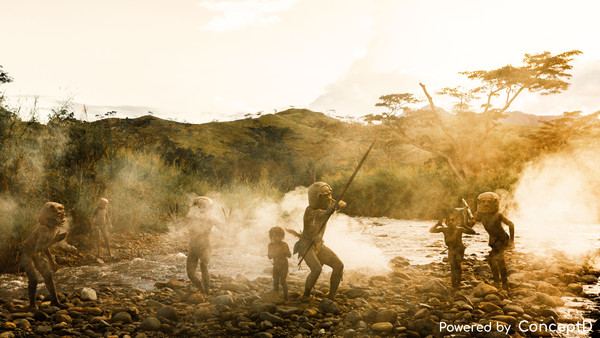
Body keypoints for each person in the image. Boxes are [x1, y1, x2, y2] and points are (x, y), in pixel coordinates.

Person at [294, 182, 346, 301]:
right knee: (316, 268)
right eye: (324, 196)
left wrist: (337, 204)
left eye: (329, 195)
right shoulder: (310, 211)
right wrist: (332, 208)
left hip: (318, 245)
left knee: (339, 265)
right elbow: (322, 214)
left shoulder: (326, 206)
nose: (328, 199)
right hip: (306, 245)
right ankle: (306, 295)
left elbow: (339, 204)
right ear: (316, 198)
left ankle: (331, 297)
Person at [20, 202, 68, 310]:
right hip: (27, 253)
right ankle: (32, 306)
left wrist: (51, 259)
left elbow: (43, 246)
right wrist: (56, 240)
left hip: (37, 253)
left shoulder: (52, 227)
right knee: (34, 279)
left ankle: (55, 301)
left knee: (48, 276)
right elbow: (38, 248)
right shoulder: (44, 228)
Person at [471, 192, 515, 290]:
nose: (486, 204)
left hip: (501, 239)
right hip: (493, 240)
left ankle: (502, 283)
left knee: (496, 260)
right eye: (483, 202)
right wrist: (469, 215)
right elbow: (471, 224)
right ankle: (500, 282)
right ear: (479, 203)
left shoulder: (498, 215)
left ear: (494, 203)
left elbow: (511, 225)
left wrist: (511, 241)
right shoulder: (480, 215)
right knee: (497, 261)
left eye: (488, 202)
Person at [430, 209, 476, 289]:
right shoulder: (444, 229)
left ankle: (458, 283)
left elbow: (473, 232)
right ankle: (453, 284)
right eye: (449, 221)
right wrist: (437, 224)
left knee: (457, 265)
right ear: (446, 223)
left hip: (459, 250)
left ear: (457, 222)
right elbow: (431, 231)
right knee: (452, 266)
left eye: (453, 220)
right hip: (451, 250)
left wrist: (464, 225)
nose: (451, 222)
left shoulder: (459, 229)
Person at [186, 196, 219, 294]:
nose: (201, 209)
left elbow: (225, 228)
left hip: (205, 246)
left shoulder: (211, 219)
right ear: (195, 207)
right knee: (190, 273)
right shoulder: (190, 218)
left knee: (203, 265)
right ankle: (200, 287)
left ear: (209, 209)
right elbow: (176, 227)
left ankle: (206, 290)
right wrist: (174, 221)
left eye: (205, 207)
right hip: (193, 247)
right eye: (199, 206)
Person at [268, 226, 291, 302]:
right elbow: (269, 257)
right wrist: (271, 254)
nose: (276, 238)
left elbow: (289, 255)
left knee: (283, 281)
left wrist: (286, 252)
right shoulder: (271, 245)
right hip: (276, 264)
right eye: (274, 236)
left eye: (278, 236)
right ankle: (276, 296)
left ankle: (286, 298)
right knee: (275, 281)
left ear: (282, 236)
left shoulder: (284, 244)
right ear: (271, 236)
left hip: (284, 264)